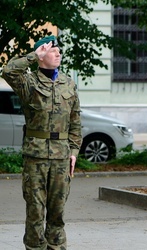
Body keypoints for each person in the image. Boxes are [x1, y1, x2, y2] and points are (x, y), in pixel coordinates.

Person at [2, 35, 82, 249]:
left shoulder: (68, 83)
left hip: (62, 157)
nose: (58, 53)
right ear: (41, 55)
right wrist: (33, 55)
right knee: (35, 212)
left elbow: (75, 121)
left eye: (58, 50)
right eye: (51, 50)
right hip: (35, 157)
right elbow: (8, 71)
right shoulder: (29, 82)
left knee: (57, 212)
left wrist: (74, 151)